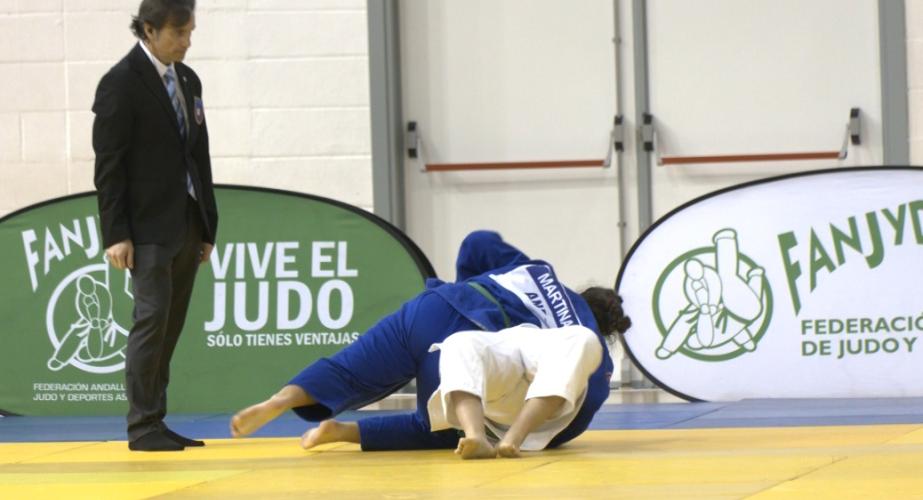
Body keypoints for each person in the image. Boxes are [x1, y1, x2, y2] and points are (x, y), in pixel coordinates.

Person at [230, 231, 630, 458]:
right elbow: (575, 408)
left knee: (347, 369)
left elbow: (477, 243)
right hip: (473, 339)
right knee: (438, 425)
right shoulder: (588, 346)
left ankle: (280, 399)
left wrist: (463, 289)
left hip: (434, 309)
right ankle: (344, 432)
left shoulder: (539, 272)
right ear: (606, 330)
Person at [93, 0, 218, 451]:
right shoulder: (120, 84)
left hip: (186, 221)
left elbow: (198, 156)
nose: (186, 41)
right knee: (150, 320)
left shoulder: (187, 79)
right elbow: (109, 168)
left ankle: (157, 419)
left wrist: (207, 226)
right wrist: (116, 234)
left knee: (170, 325)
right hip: (144, 229)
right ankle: (141, 425)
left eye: (190, 32)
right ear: (149, 29)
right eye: (178, 33)